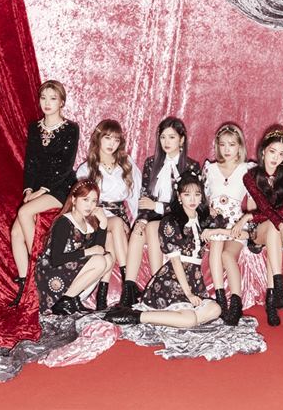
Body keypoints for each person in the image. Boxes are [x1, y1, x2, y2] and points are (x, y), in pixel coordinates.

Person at [104, 172, 228, 328]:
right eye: (187, 195)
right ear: (179, 196)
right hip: (172, 281)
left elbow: (227, 227)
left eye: (197, 195)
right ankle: (136, 316)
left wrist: (216, 227)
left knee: (215, 309)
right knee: (190, 320)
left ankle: (175, 318)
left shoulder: (202, 220)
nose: (192, 200)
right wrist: (188, 293)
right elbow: (176, 263)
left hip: (194, 281)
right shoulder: (171, 222)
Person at [9, 80, 79, 306]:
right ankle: (25, 286)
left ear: (62, 102)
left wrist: (41, 191)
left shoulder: (71, 129)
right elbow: (30, 164)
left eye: (53, 98)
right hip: (38, 188)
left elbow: (65, 167)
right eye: (43, 98)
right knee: (15, 233)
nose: (47, 103)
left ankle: (42, 267)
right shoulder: (34, 128)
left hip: (60, 188)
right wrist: (29, 189)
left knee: (25, 212)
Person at [120, 117, 201, 307]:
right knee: (138, 232)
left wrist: (155, 207)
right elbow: (145, 196)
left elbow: (188, 204)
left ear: (181, 139)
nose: (166, 142)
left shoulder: (191, 166)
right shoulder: (151, 163)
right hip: (154, 215)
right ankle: (129, 288)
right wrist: (141, 219)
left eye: (172, 137)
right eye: (163, 137)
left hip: (179, 218)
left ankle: (157, 285)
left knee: (153, 227)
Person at [233, 128, 283, 326]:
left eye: (281, 154)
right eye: (272, 151)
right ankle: (277, 290)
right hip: (260, 228)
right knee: (272, 227)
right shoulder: (250, 177)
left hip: (281, 225)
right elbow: (265, 208)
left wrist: (249, 216)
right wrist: (253, 218)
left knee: (273, 230)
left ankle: (272, 298)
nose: (276, 158)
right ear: (263, 151)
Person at [77, 119, 141, 310]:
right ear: (98, 139)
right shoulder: (86, 168)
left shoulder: (126, 164)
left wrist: (135, 222)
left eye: (116, 139)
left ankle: (102, 296)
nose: (112, 143)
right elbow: (82, 203)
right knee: (115, 224)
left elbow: (134, 197)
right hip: (94, 217)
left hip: (119, 218)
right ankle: (128, 284)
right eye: (107, 138)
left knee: (113, 234)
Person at [35, 179, 114, 314]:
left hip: (69, 270)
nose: (90, 205)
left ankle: (71, 298)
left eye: (94, 201)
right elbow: (56, 259)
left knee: (108, 258)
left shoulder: (88, 223)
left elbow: (99, 250)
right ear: (74, 199)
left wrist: (103, 224)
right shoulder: (64, 222)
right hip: (51, 273)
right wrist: (88, 251)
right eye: (85, 200)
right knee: (100, 260)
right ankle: (63, 302)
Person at [202, 124, 253, 325]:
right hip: (215, 223)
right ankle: (220, 296)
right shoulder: (210, 169)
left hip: (236, 224)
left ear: (239, 146)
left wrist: (244, 221)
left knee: (226, 255)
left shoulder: (247, 169)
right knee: (216, 241)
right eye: (222, 144)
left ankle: (236, 303)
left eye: (231, 144)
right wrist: (208, 210)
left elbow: (253, 207)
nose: (227, 149)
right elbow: (203, 199)